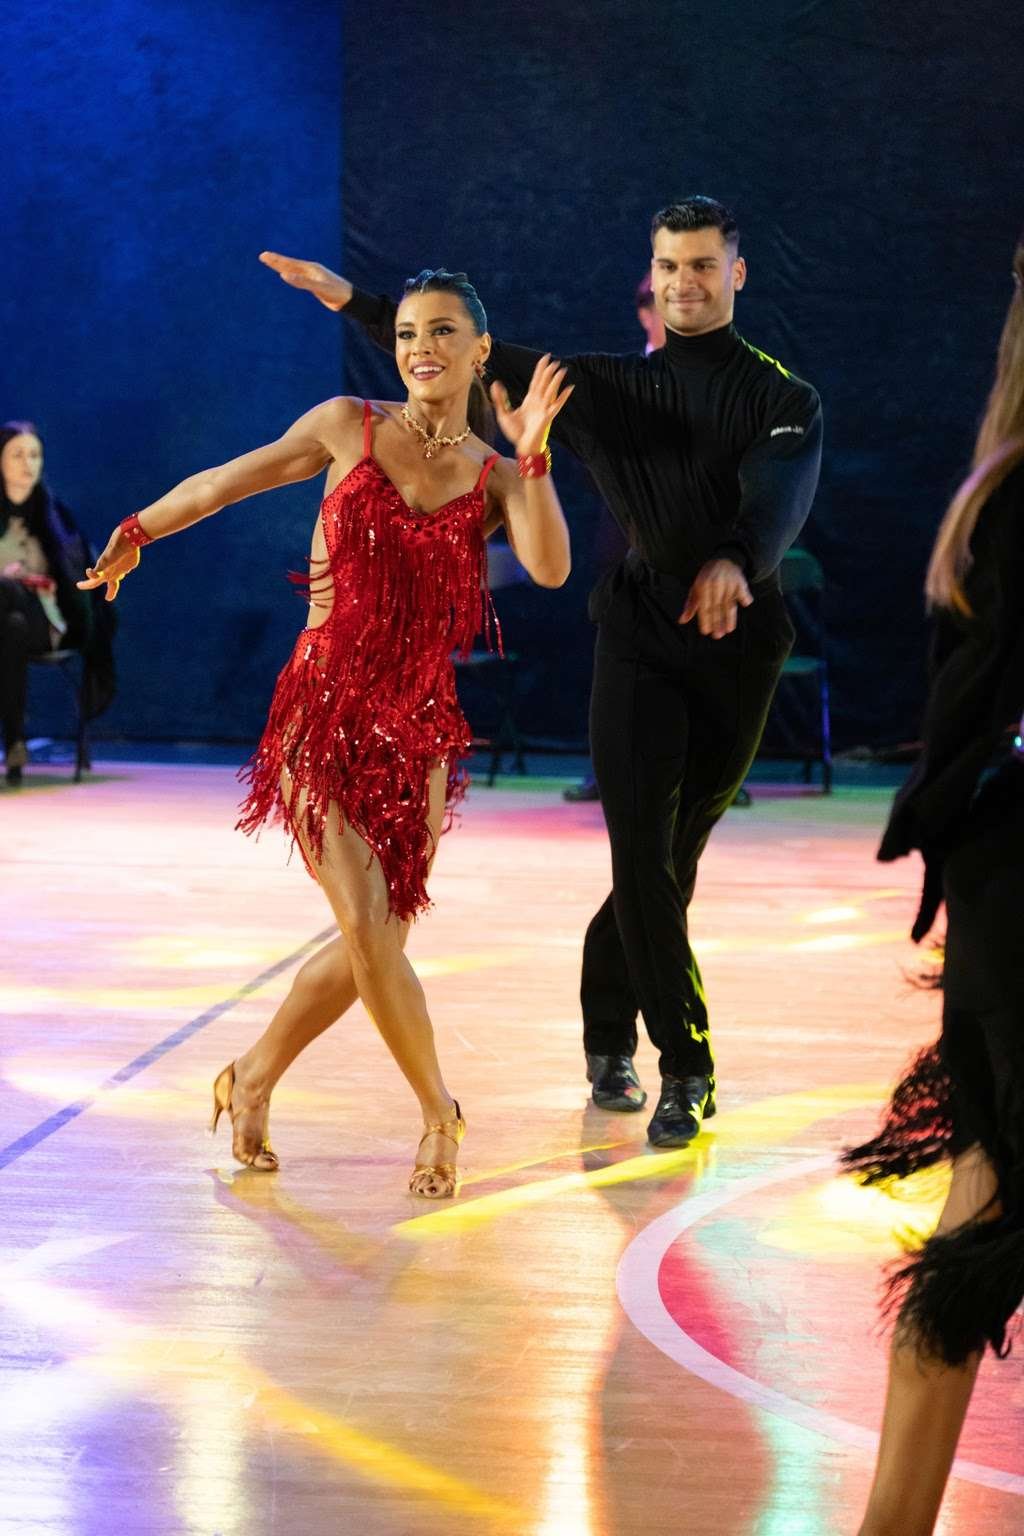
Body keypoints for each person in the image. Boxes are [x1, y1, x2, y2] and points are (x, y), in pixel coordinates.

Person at [261, 192, 822, 1147]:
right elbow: (469, 350)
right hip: (639, 634)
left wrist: (736, 559)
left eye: (702, 265)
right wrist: (352, 299)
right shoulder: (605, 387)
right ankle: (685, 1066)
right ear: (652, 277)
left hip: (740, 641)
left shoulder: (785, 398)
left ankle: (605, 1032)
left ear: (736, 272)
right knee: (641, 849)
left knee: (670, 860)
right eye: (669, 266)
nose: (685, 282)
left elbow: (778, 498)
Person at [79, 268, 572, 1197]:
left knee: (373, 938)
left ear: (479, 351)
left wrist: (535, 454)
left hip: (422, 727)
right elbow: (222, 484)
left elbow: (549, 568)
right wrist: (137, 529)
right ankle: (440, 1114)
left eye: (443, 332)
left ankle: (252, 1075)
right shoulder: (349, 425)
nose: (421, 348)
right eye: (408, 333)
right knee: (367, 924)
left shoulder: (497, 474)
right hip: (323, 708)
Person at [842, 238, 1024, 1536]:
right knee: (981, 1214)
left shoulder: (997, 492)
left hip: (1000, 890)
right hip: (1013, 895)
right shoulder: (1012, 502)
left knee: (980, 1203)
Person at [563, 270, 664, 805]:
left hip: (690, 544)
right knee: (618, 661)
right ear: (644, 313)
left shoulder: (716, 378)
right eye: (659, 302)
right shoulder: (621, 381)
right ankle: (609, 770)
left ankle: (701, 770)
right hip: (623, 539)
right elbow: (589, 455)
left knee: (691, 660)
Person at [0, 421, 115, 786]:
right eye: (17, 455)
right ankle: (15, 743)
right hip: (10, 628)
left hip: (48, 622)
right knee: (11, 625)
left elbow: (76, 579)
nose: (28, 463)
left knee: (10, 597)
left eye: (34, 455)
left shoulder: (54, 516)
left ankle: (14, 741)